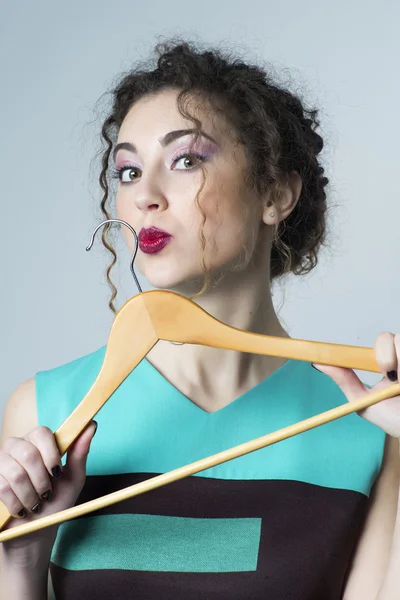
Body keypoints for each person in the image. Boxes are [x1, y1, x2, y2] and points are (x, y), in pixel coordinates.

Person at [0, 40, 399, 600]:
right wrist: (20, 562)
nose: (145, 197)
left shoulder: (373, 427)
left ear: (276, 192)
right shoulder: (45, 414)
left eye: (186, 160)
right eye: (129, 171)